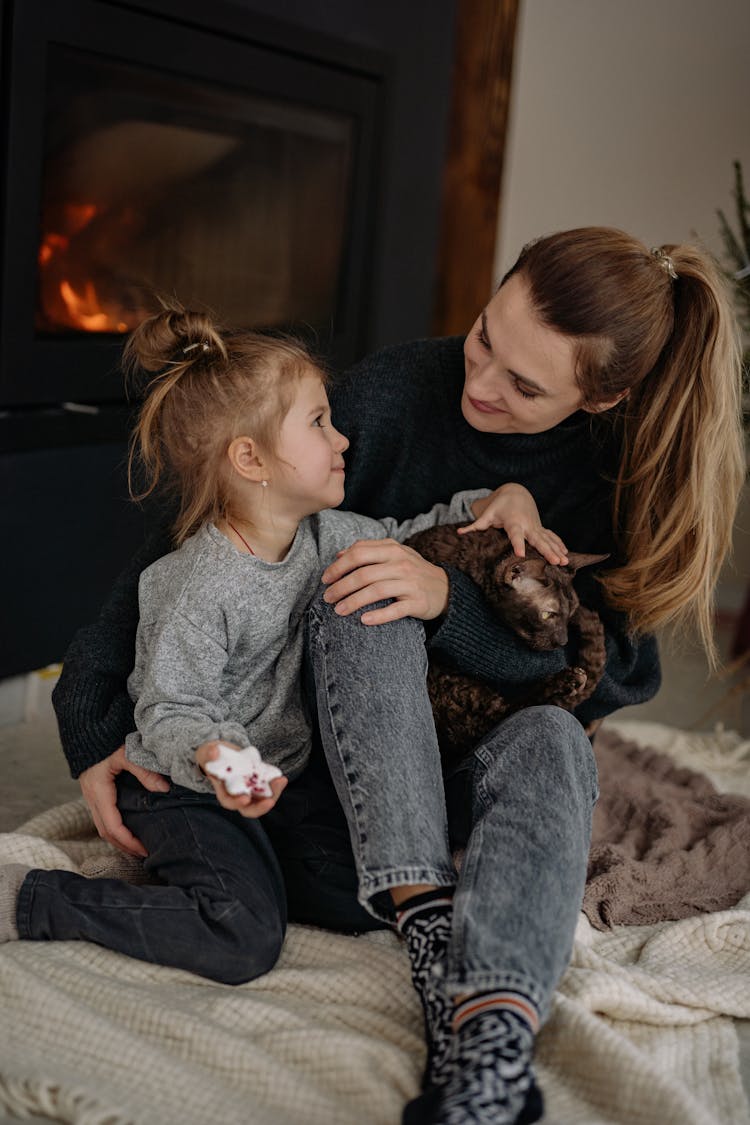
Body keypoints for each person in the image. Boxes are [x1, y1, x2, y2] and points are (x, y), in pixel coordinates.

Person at [46, 228, 744, 1123]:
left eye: (525, 385)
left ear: (602, 396)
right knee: (361, 586)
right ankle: (423, 924)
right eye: (486, 336)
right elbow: (195, 549)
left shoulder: (626, 471)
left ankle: (490, 1040)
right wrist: (93, 724)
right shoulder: (396, 391)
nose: (480, 382)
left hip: (470, 758)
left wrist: (448, 599)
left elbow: (606, 673)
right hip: (341, 756)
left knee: (555, 736)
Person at [0, 300, 563, 984]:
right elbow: (169, 711)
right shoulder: (195, 585)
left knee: (372, 898)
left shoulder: (332, 536)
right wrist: (219, 760)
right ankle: (31, 899)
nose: (342, 440)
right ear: (250, 458)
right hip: (189, 784)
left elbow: (417, 529)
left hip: (279, 782)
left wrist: (502, 498)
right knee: (242, 933)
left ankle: (246, 869)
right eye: (319, 424)